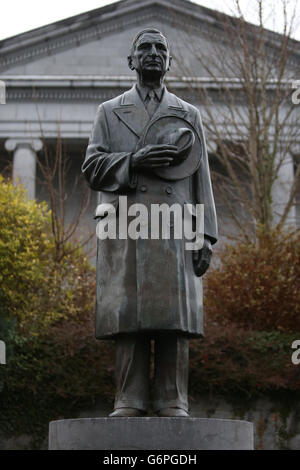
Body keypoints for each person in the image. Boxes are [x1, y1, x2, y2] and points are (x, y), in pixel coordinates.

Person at [82, 28, 218, 417]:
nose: (153, 53)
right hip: (127, 224)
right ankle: (129, 398)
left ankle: (173, 399)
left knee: (172, 318)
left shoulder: (188, 113)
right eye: (145, 48)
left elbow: (201, 178)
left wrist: (205, 234)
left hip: (176, 226)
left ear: (169, 61)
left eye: (161, 48)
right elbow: (92, 167)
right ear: (131, 60)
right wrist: (134, 160)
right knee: (129, 315)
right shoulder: (109, 112)